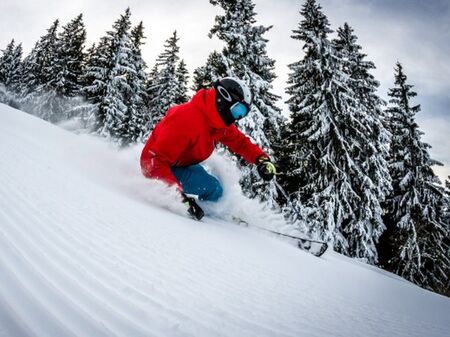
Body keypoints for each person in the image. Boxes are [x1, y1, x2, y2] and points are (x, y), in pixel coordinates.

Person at [140, 77, 277, 220]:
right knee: (211, 189)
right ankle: (209, 223)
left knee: (215, 190)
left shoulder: (217, 123)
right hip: (159, 168)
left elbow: (240, 142)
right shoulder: (185, 119)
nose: (237, 118)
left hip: (180, 165)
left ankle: (216, 214)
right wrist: (180, 199)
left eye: (242, 114)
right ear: (224, 98)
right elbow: (153, 162)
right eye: (238, 110)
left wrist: (261, 159)